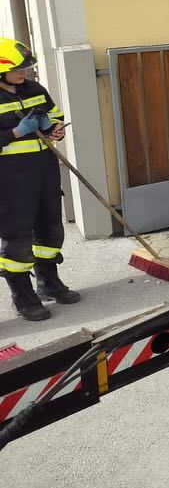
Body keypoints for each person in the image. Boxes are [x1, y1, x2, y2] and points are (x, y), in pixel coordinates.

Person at [0, 38, 78, 321]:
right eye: (19, 69)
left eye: (27, 68)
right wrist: (16, 133)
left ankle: (48, 282)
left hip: (43, 170)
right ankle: (22, 295)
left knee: (51, 229)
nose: (25, 73)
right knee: (17, 238)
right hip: (10, 180)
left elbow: (55, 115)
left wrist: (55, 129)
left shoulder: (34, 89)